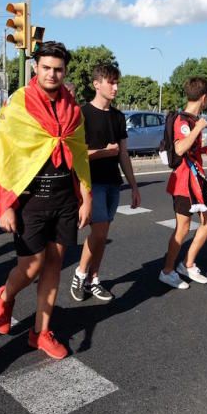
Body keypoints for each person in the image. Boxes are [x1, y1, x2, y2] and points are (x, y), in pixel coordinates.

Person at [0, 41, 91, 360]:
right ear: (36, 68)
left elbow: (79, 155)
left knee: (54, 265)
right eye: (46, 67)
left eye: (58, 69)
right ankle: (6, 296)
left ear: (65, 71)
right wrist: (5, 204)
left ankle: (40, 332)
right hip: (31, 200)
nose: (52, 73)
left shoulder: (73, 109)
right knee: (31, 266)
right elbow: (6, 156)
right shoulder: (18, 104)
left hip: (64, 199)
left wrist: (85, 197)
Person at [70, 63, 141, 302]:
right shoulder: (82, 114)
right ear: (96, 84)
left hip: (113, 182)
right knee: (99, 232)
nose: (116, 87)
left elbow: (122, 154)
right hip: (91, 183)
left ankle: (94, 279)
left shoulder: (119, 116)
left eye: (117, 82)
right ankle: (80, 274)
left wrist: (133, 186)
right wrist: (102, 152)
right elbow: (74, 157)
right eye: (111, 82)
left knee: (103, 233)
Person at [159, 77, 207, 290]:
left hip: (197, 179)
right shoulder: (184, 121)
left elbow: (191, 150)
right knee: (182, 228)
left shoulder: (192, 120)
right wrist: (199, 126)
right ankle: (166, 271)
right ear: (203, 97)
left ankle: (187, 264)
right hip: (184, 181)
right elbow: (180, 148)